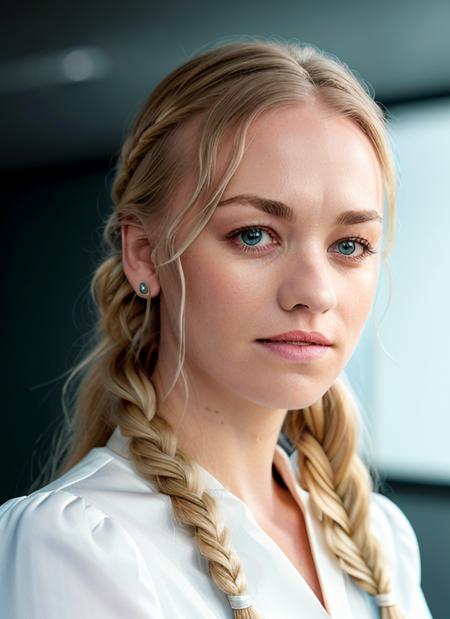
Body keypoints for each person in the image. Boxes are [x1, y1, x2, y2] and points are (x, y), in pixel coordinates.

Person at [0, 38, 433, 619]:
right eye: (254, 234)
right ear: (145, 255)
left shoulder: (382, 542)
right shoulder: (81, 544)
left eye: (349, 245)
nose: (315, 293)